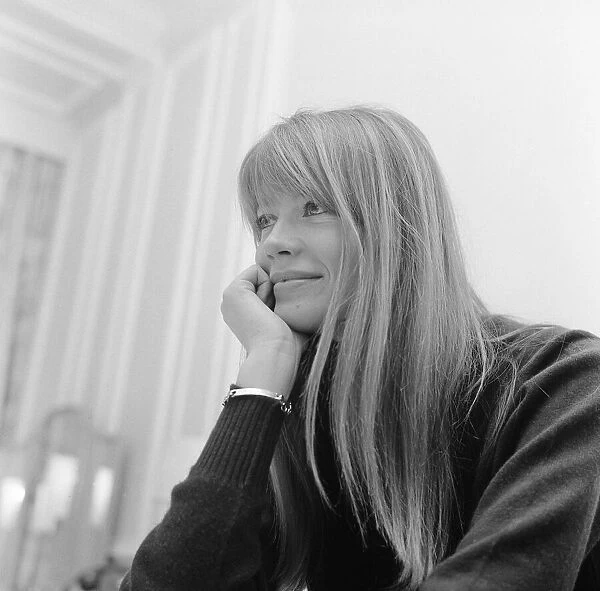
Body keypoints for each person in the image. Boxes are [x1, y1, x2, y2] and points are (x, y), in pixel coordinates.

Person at [119, 107, 600, 590]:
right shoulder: (304, 415)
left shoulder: (565, 382)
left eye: (315, 208)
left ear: (400, 225)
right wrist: (263, 377)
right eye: (265, 220)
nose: (272, 245)